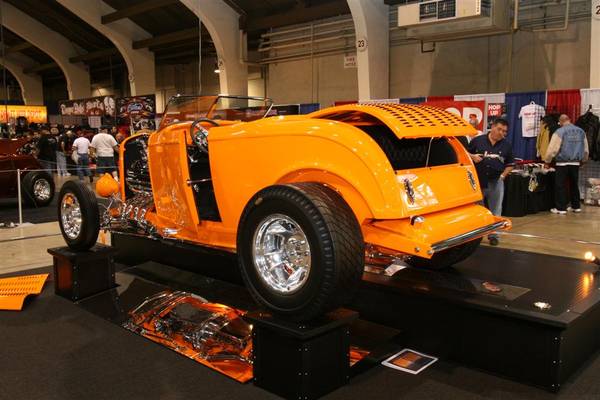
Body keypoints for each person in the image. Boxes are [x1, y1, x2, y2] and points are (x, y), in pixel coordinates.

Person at [467, 118, 514, 246]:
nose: (501, 133)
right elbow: (464, 153)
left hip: (496, 182)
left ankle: (494, 235)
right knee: (477, 210)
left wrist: (503, 176)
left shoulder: (506, 145)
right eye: (499, 129)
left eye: (504, 131)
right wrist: (473, 157)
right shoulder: (477, 141)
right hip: (478, 182)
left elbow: (511, 163)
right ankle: (476, 235)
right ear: (492, 127)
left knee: (496, 210)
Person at [544, 114, 589, 215]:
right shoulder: (581, 131)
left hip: (562, 163)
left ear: (560, 122)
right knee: (574, 184)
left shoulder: (559, 131)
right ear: (570, 120)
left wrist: (547, 161)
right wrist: (584, 160)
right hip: (575, 163)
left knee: (560, 185)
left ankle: (561, 208)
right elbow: (586, 148)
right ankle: (576, 206)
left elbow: (553, 149)